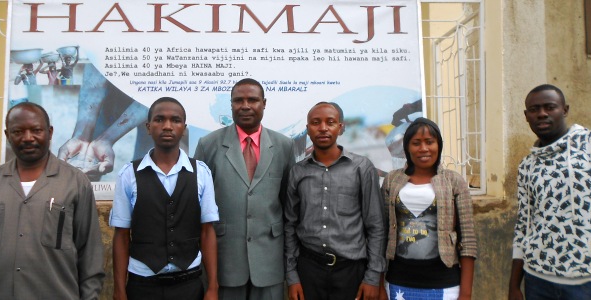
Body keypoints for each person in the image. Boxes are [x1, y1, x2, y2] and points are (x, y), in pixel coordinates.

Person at [0, 102, 105, 299]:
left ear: (50, 132)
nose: (28, 138)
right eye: (18, 131)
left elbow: (90, 253)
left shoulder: (75, 182)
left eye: (36, 130)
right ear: (7, 135)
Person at [508, 84, 591, 300]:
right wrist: (514, 285)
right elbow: (523, 224)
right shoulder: (528, 164)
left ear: (564, 110)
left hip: (587, 282)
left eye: (549, 107)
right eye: (534, 109)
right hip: (537, 281)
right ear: (526, 116)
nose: (542, 113)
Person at [194, 78, 295, 300]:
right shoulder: (208, 145)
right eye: (239, 100)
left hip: (269, 261)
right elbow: (198, 206)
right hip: (224, 262)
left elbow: (289, 205)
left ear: (264, 103)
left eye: (253, 100)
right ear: (231, 104)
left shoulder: (284, 146)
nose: (246, 105)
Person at [110, 97, 219, 300]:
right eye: (159, 119)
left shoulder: (201, 173)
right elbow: (121, 235)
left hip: (189, 283)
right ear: (148, 127)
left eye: (175, 120)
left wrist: (212, 287)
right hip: (142, 285)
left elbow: (207, 232)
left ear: (184, 128)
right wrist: (119, 290)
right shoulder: (129, 174)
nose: (167, 126)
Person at [284, 102, 386, 300]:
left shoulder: (362, 168)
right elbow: (290, 226)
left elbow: (376, 226)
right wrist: (292, 276)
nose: (323, 128)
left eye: (330, 122)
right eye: (315, 122)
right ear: (307, 129)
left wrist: (373, 277)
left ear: (340, 127)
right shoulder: (298, 172)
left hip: (351, 270)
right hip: (309, 271)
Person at [379, 117, 477, 300]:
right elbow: (381, 234)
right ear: (407, 147)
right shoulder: (392, 180)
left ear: (438, 145)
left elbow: (468, 240)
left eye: (429, 142)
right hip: (399, 281)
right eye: (416, 143)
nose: (423, 149)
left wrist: (466, 293)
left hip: (445, 283)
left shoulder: (453, 181)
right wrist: (379, 284)